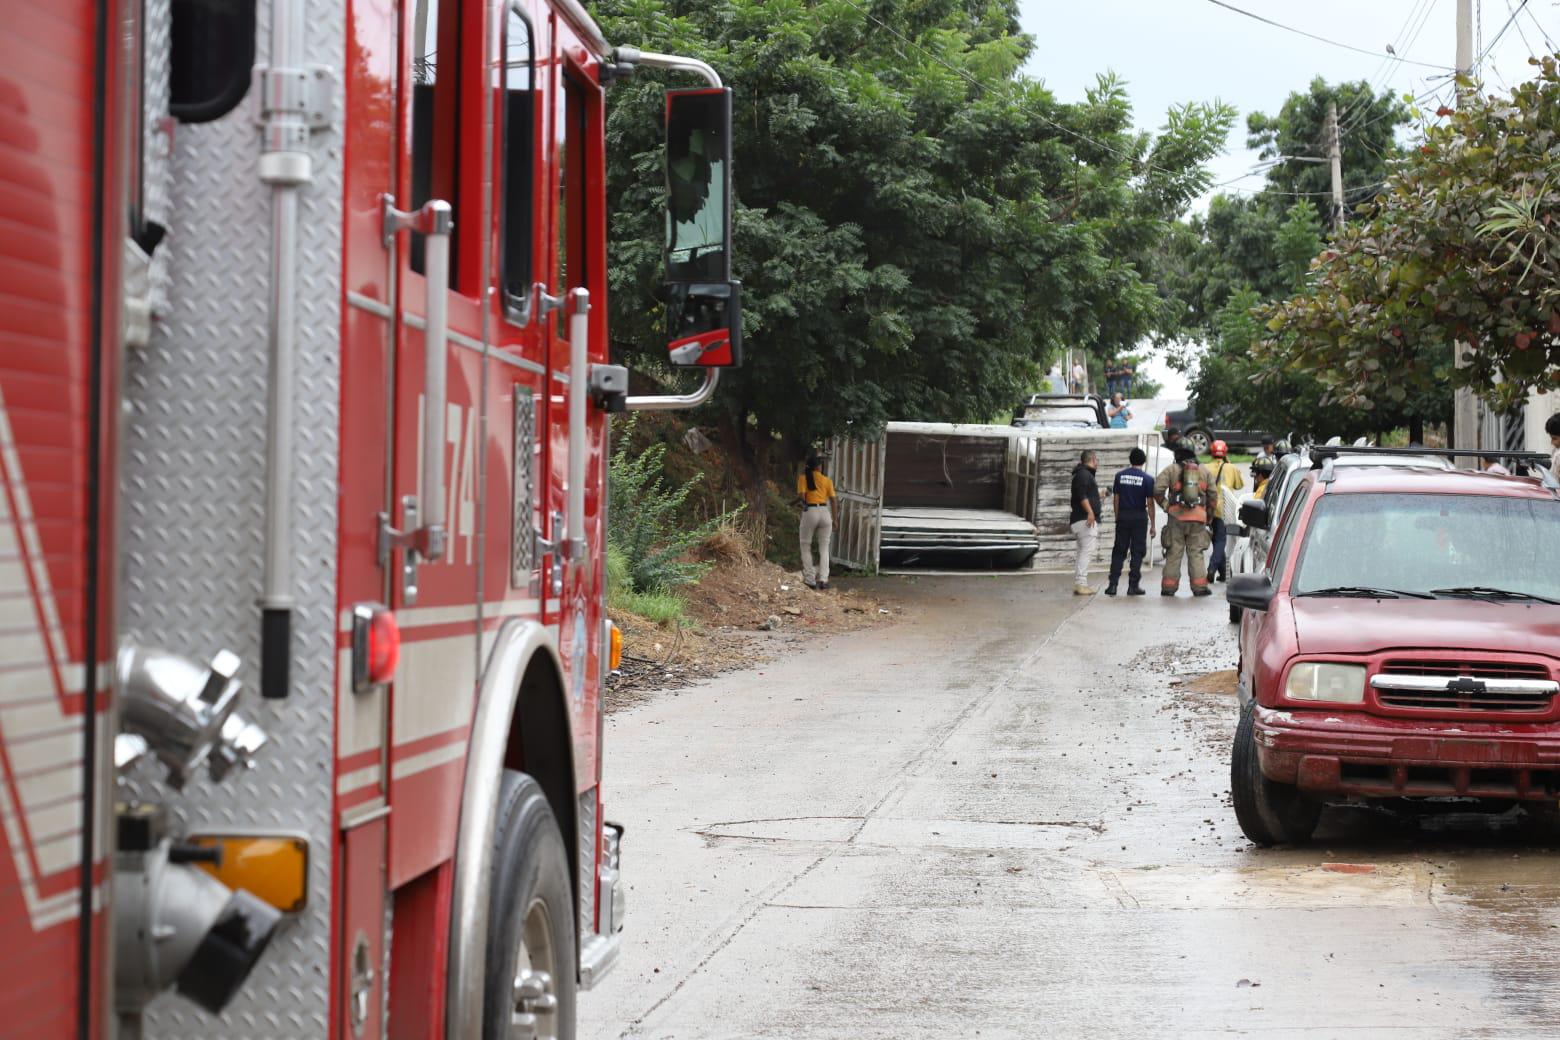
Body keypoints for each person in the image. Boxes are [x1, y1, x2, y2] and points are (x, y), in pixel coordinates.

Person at [1155, 446, 1214, 597]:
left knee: (1174, 552)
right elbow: (1213, 495)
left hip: (1176, 518)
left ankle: (1168, 587)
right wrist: (1209, 515)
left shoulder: (1171, 469)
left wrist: (1166, 505)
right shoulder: (1204, 471)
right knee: (1196, 553)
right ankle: (1200, 587)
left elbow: (1157, 489)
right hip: (1198, 518)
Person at [1105, 447, 1156, 596]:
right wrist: (1152, 525)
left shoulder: (1119, 476)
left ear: (1130, 460)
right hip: (1139, 516)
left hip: (1123, 516)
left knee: (1119, 551)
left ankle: (1112, 585)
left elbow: (1116, 498)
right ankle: (1133, 586)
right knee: (1137, 552)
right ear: (1144, 461)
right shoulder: (1147, 479)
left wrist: (1117, 517)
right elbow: (1150, 503)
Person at [1203, 440, 1245, 582]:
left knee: (1216, 540)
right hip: (1224, 509)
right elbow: (1239, 485)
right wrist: (1230, 464)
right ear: (1225, 452)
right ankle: (1212, 568)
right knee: (1221, 540)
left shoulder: (1204, 467)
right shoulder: (1231, 467)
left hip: (1208, 508)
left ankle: (1223, 572)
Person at [797, 454, 837, 590]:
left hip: (811, 511)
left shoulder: (803, 478)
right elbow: (833, 500)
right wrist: (835, 519)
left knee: (805, 545)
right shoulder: (827, 480)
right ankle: (823, 580)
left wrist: (804, 503)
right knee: (824, 548)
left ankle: (810, 579)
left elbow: (802, 496)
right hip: (825, 513)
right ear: (819, 467)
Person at [1069, 449, 1101, 596]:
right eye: (1097, 460)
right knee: (1086, 552)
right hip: (1084, 519)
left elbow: (1085, 495)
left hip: (1081, 518)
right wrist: (1090, 512)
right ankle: (1081, 583)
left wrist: (1101, 496)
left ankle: (1080, 583)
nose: (1098, 463)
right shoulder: (1084, 475)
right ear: (1093, 459)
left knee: (1082, 551)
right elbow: (1081, 495)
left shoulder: (1082, 474)